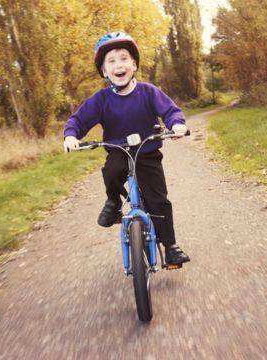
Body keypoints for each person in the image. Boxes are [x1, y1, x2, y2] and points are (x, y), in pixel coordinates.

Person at [63, 32, 190, 266]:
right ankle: (113, 203)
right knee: (111, 171)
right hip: (119, 151)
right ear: (104, 71)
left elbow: (170, 111)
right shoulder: (101, 100)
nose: (118, 65)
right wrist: (71, 135)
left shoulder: (148, 92)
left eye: (123, 58)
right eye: (111, 61)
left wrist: (177, 124)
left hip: (147, 153)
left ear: (134, 64)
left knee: (159, 200)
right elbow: (78, 120)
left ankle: (170, 246)